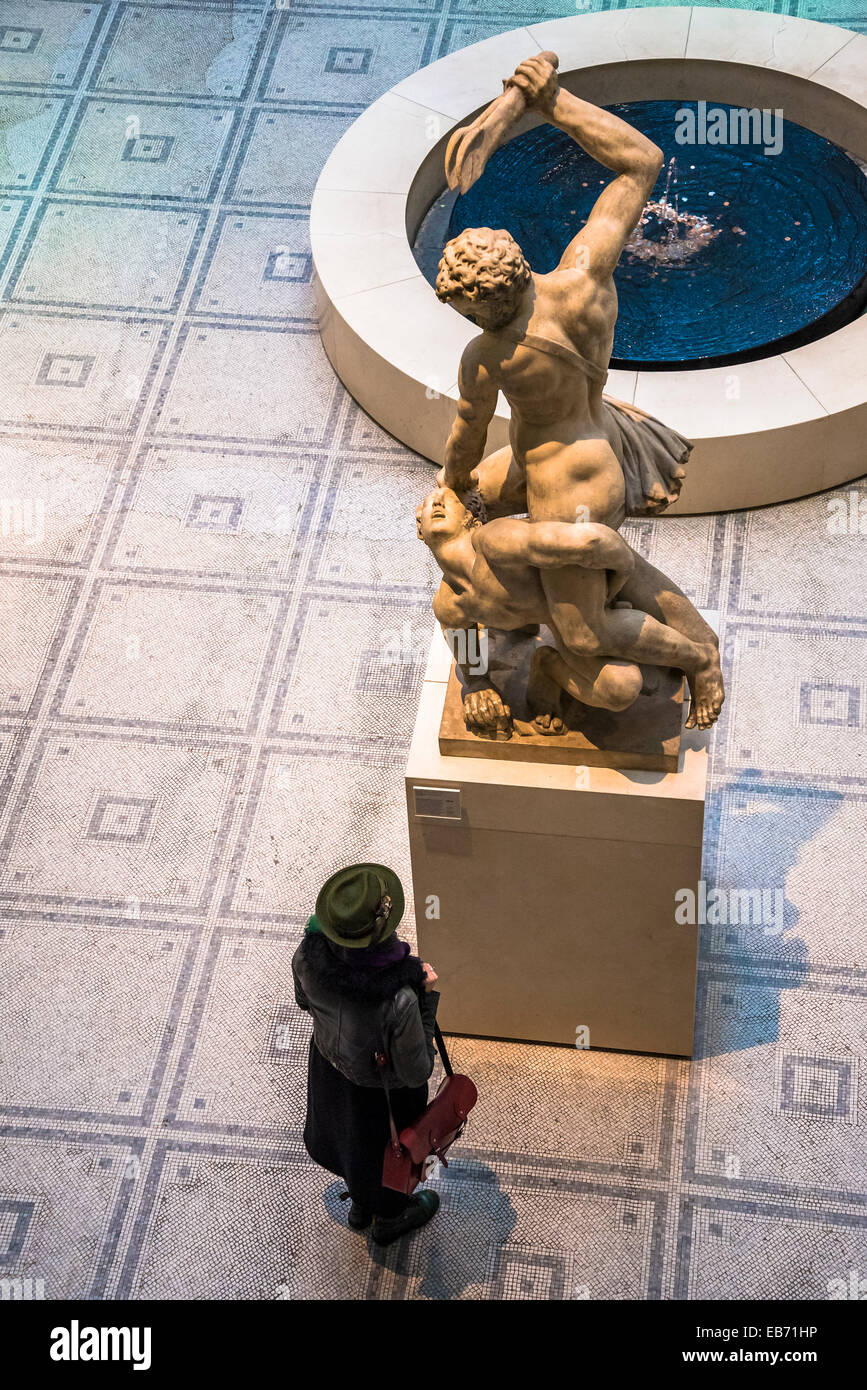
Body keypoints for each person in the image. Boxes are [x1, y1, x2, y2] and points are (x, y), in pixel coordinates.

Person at [433, 53, 725, 732]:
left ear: (478, 311)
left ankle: (695, 658)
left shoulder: (487, 354)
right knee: (485, 568)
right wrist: (547, 99)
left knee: (587, 631)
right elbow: (640, 165)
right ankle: (537, 639)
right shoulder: (581, 276)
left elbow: (465, 442)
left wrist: (456, 488)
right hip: (595, 438)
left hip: (573, 483)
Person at [416, 484, 724, 733]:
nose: (438, 503)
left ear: (471, 516)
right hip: (566, 621)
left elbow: (593, 543)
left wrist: (620, 575)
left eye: (447, 500)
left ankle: (698, 658)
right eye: (429, 505)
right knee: (621, 689)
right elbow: (470, 663)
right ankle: (547, 665)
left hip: (591, 572)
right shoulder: (450, 606)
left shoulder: (496, 540)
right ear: (420, 530)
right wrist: (477, 687)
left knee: (704, 638)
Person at [292, 863, 441, 1245]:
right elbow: (416, 1071)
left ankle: (360, 1205)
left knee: (348, 1141)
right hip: (383, 1094)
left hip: (330, 1071)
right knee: (387, 1153)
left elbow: (304, 1003)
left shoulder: (307, 957)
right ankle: (389, 1218)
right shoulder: (399, 998)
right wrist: (426, 1001)